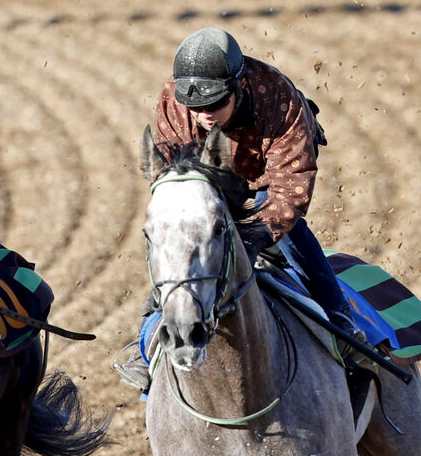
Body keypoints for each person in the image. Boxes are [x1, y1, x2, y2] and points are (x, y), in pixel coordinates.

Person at [117, 26, 364, 392]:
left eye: (215, 104)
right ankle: (149, 339)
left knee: (282, 220)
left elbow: (290, 188)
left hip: (267, 173)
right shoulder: (174, 98)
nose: (204, 115)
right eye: (197, 107)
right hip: (209, 176)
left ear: (240, 86)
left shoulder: (279, 99)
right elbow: (174, 177)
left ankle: (339, 317)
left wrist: (254, 237)